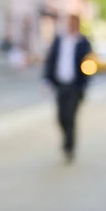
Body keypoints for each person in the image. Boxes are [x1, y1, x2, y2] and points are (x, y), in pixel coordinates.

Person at [43, 14, 92, 163]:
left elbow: (89, 64)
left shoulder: (83, 42)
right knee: (60, 117)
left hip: (75, 85)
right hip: (60, 84)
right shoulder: (60, 40)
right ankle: (66, 140)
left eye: (73, 23)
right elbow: (51, 59)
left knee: (71, 117)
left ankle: (69, 148)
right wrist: (47, 78)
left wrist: (84, 84)